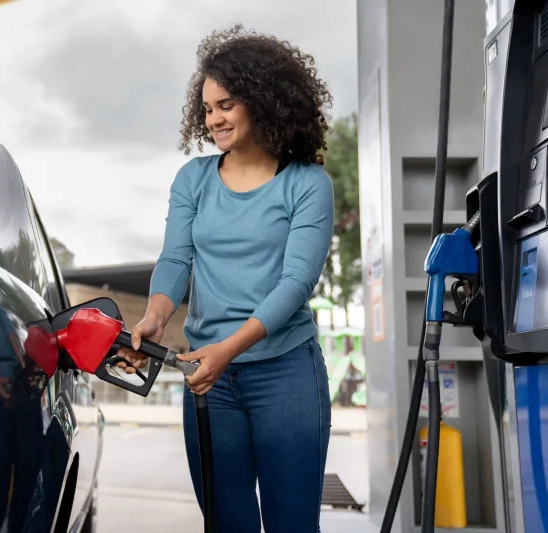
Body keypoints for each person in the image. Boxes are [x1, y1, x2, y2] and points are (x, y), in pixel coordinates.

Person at [116, 24, 336, 533]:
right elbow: (175, 260)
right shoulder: (192, 180)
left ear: (263, 101)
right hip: (207, 379)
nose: (213, 118)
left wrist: (228, 349)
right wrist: (155, 314)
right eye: (208, 107)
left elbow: (297, 282)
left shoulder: (306, 184)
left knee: (292, 525)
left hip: (285, 375)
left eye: (226, 105)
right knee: (227, 523)